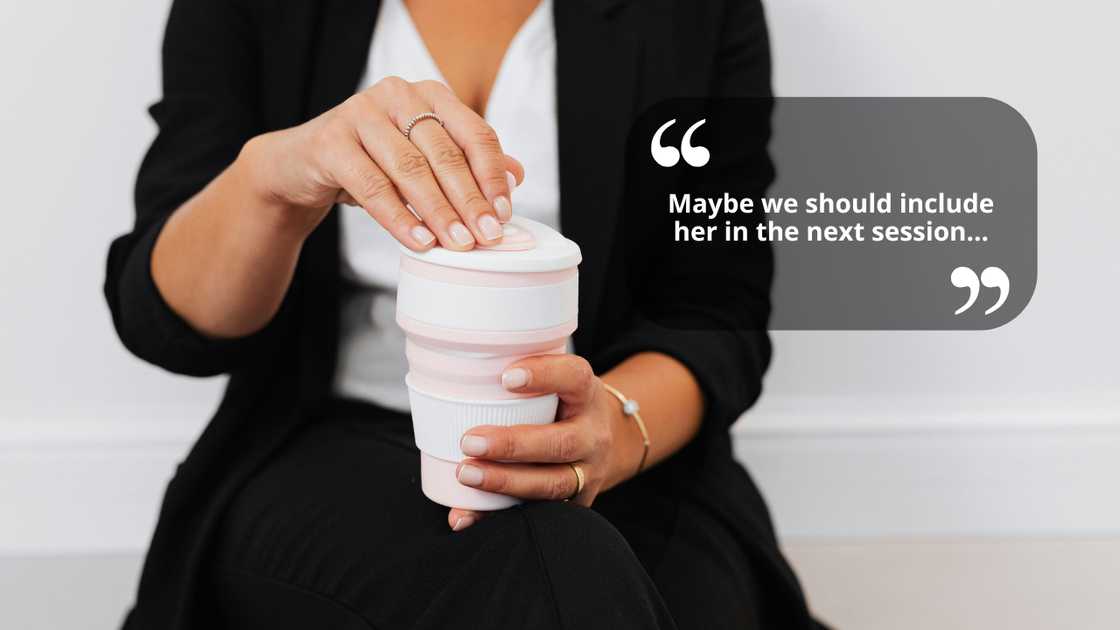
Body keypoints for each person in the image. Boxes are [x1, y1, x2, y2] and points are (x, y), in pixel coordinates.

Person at [104, 0, 823, 628]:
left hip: (623, 446)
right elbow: (164, 322)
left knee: (610, 577)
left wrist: (612, 427)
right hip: (320, 440)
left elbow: (717, 312)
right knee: (553, 569)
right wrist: (273, 185)